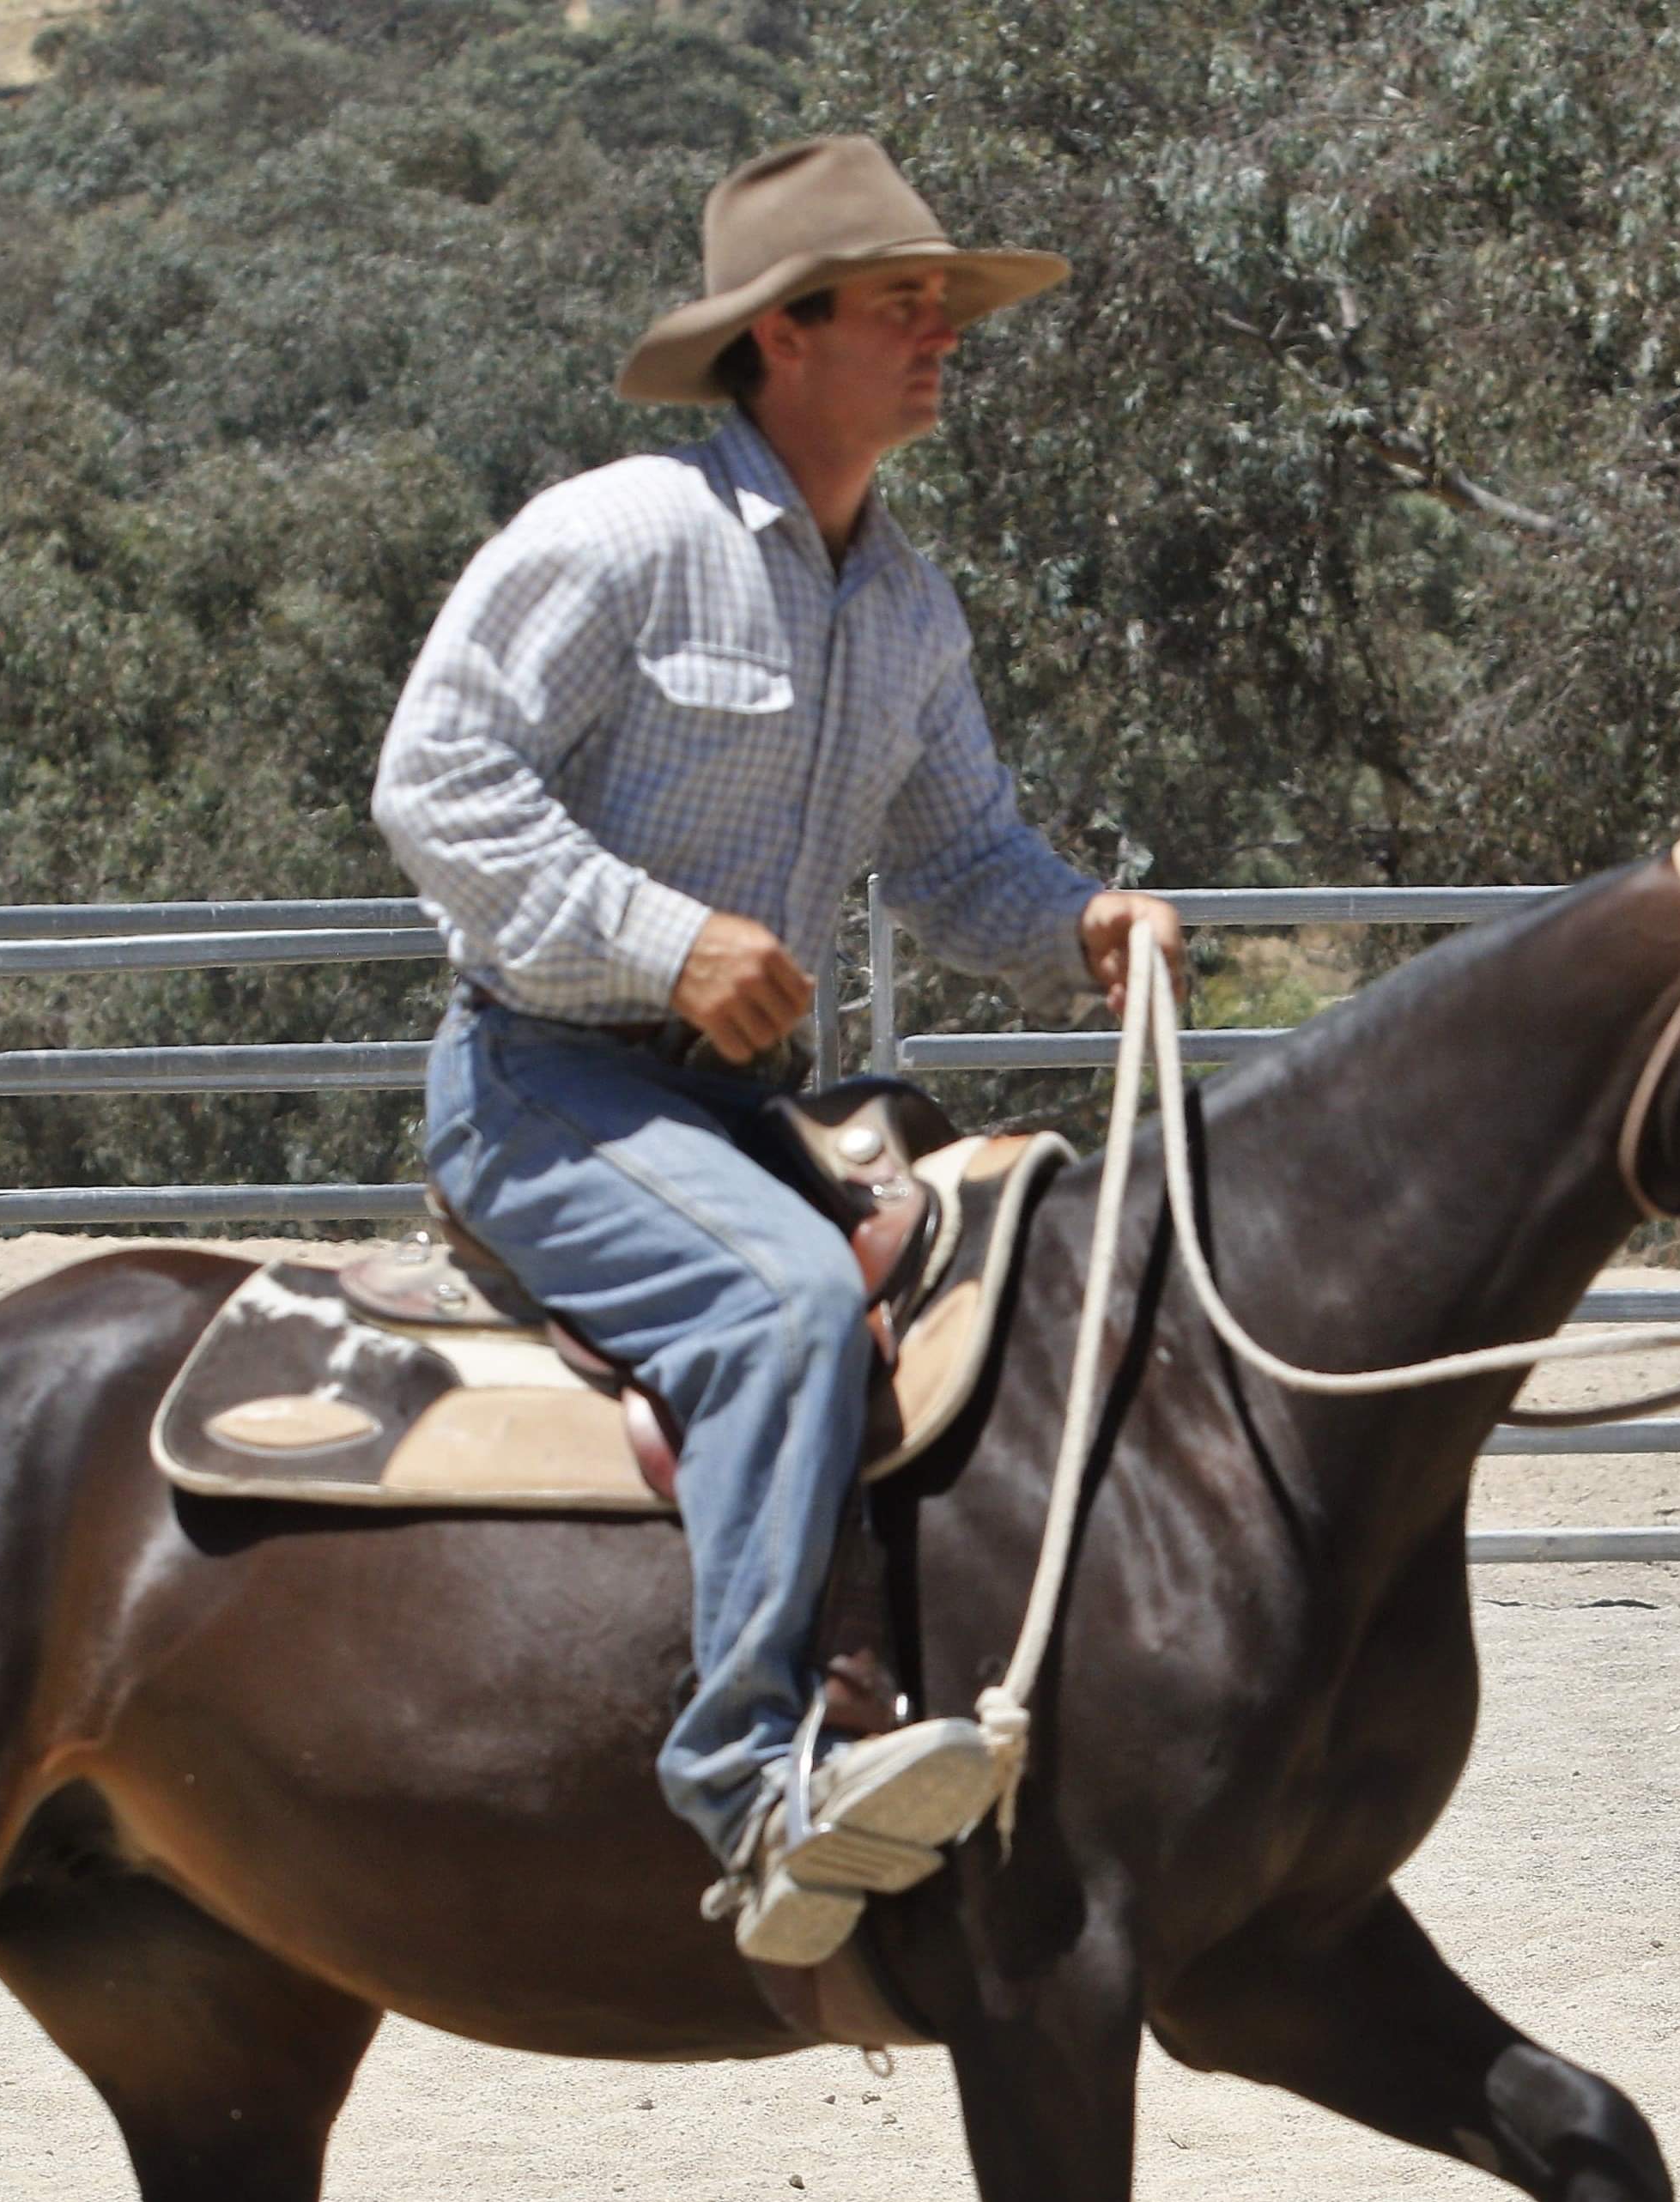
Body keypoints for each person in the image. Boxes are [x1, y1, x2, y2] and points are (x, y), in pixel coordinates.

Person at [373, 135, 1182, 1965]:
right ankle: (752, 1776)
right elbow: (435, 781)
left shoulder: (906, 604)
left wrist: (1078, 924)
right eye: (901, 305)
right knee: (786, 1305)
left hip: (736, 1107)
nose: (939, 334)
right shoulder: (616, 539)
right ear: (779, 334)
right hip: (546, 1081)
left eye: (945, 306)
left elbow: (961, 857)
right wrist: (662, 936)